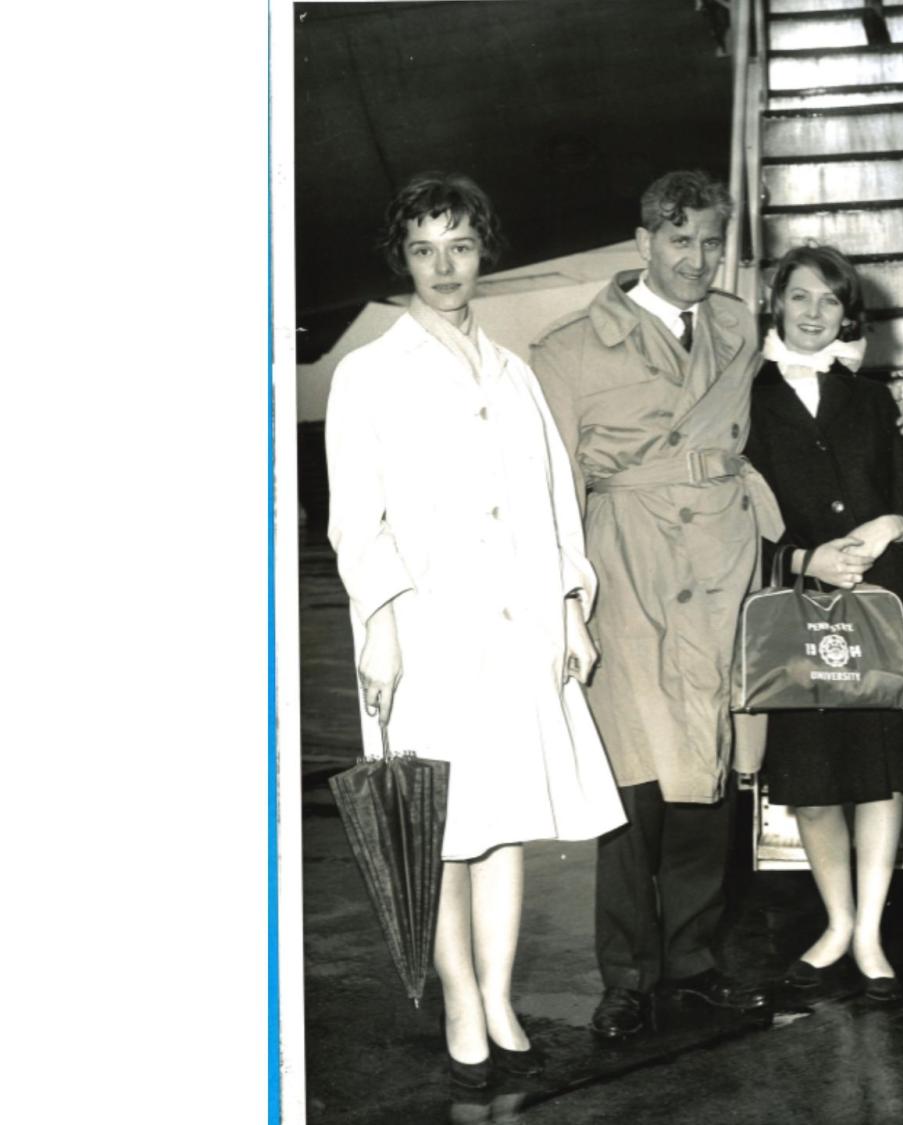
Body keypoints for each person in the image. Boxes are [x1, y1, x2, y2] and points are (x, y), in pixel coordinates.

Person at [324, 172, 626, 1086]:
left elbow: (552, 504)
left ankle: (499, 992)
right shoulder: (368, 372)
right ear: (403, 261)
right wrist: (379, 624)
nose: (444, 265)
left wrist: (572, 604)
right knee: (442, 826)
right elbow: (355, 518)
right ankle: (459, 994)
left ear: (482, 248)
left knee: (505, 823)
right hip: (427, 632)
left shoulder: (516, 371)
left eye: (459, 245)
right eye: (424, 249)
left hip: (520, 624)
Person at [529, 170, 779, 1040]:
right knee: (634, 783)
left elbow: (770, 418)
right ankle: (628, 980)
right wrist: (560, 604)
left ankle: (694, 969)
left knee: (704, 775)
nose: (697, 259)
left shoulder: (738, 327)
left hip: (716, 560)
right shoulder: (566, 350)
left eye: (711, 242)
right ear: (642, 244)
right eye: (679, 241)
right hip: (625, 566)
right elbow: (551, 489)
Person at [742, 245, 903, 1001]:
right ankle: (836, 921)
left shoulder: (872, 397)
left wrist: (888, 525)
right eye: (799, 297)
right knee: (815, 785)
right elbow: (737, 519)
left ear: (847, 312)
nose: (813, 312)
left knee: (878, 780)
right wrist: (801, 559)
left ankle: (871, 933)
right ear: (777, 304)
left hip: (874, 607)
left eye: (828, 300)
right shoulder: (748, 397)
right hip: (797, 606)